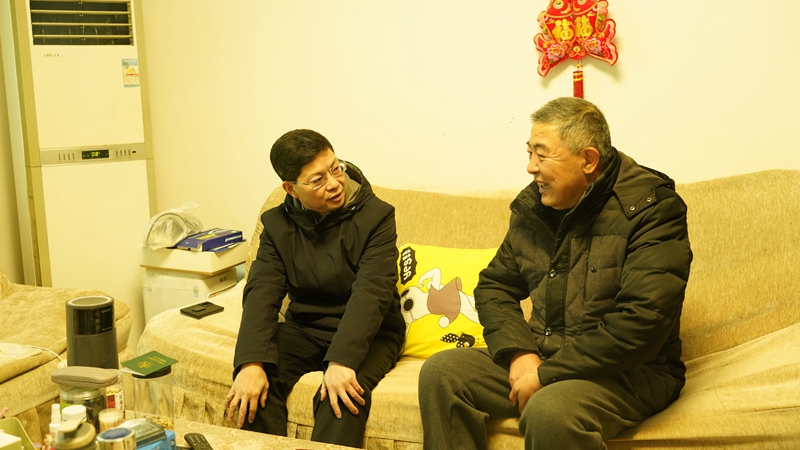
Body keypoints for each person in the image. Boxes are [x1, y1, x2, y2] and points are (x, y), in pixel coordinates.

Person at [418, 97, 692, 449]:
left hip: (630, 373)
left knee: (549, 411)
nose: (531, 167)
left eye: (542, 155)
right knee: (442, 373)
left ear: (588, 160)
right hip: (544, 358)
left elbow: (643, 321)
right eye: (529, 152)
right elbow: (495, 287)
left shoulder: (652, 209)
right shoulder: (536, 205)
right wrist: (520, 354)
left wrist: (545, 374)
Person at [226, 129, 405, 447]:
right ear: (291, 189)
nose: (334, 183)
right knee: (257, 386)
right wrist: (251, 363)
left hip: (372, 333)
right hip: (306, 327)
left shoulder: (377, 216)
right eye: (318, 180)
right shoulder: (277, 226)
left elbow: (372, 292)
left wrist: (342, 361)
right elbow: (262, 293)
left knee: (340, 398)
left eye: (335, 169)